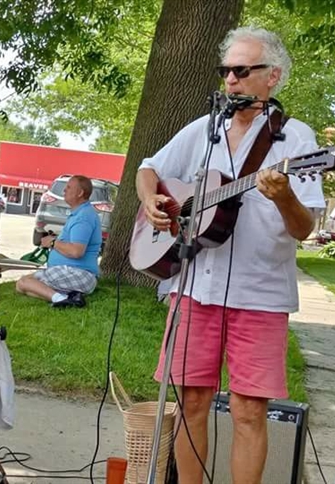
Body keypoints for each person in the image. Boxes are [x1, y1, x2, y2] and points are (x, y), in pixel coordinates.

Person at [136, 27, 325, 484]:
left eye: (242, 71)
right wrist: (150, 201)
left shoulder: (296, 141)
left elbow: (304, 228)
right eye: (226, 71)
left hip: (259, 294)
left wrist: (283, 197)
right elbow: (149, 168)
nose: (231, 81)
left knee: (247, 410)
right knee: (190, 402)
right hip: (194, 285)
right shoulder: (206, 130)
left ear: (272, 77)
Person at [16, 175, 101, 308]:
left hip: (79, 273)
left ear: (80, 193)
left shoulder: (83, 217)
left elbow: (76, 251)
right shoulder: (80, 213)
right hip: (71, 272)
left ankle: (61, 299)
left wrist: (53, 242)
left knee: (24, 282)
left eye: (68, 187)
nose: (64, 191)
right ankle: (66, 298)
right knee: (23, 286)